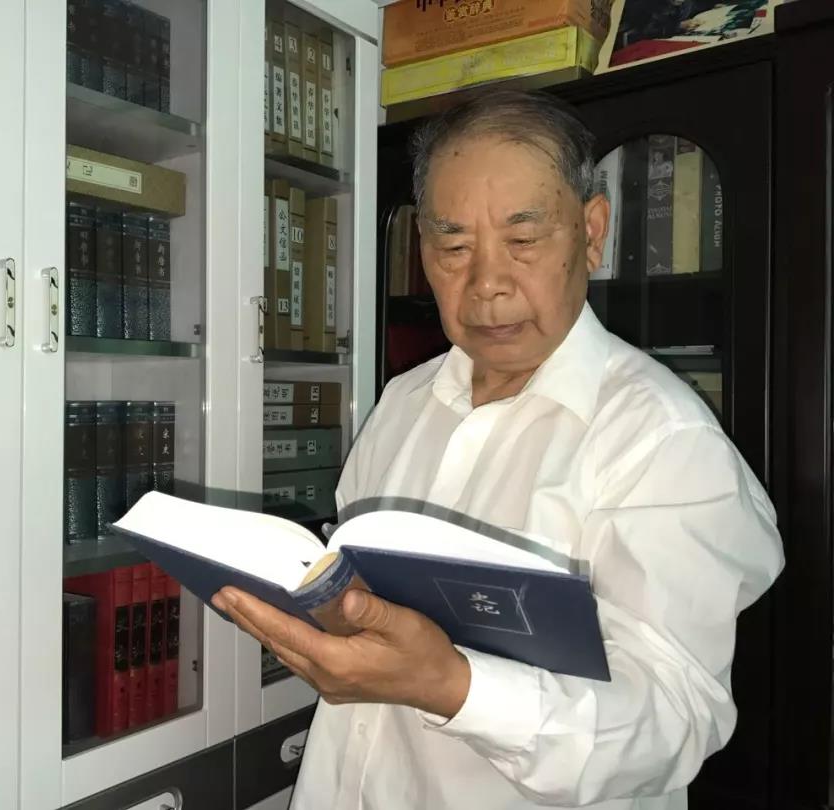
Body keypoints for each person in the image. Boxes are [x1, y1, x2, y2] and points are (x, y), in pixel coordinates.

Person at [213, 89, 784, 809]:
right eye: (453, 247)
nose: (486, 284)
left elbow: (674, 722)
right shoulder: (404, 402)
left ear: (592, 232)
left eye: (523, 240)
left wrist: (452, 686)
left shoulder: (661, 440)